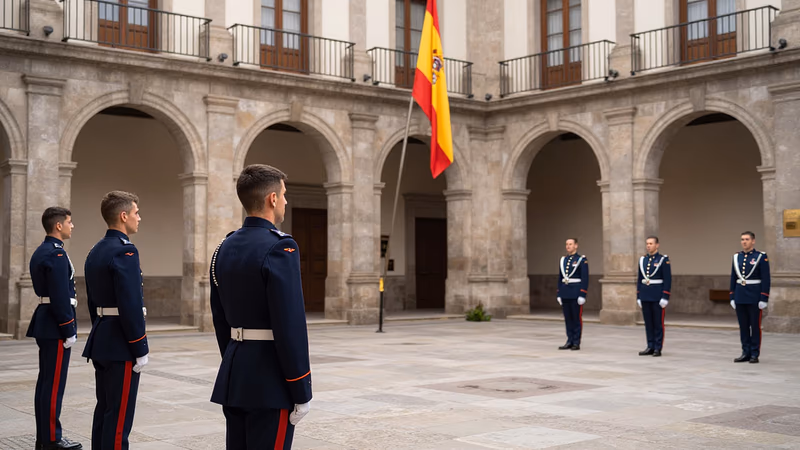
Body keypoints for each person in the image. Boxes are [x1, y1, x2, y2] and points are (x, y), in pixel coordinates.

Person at [210, 164, 312, 450]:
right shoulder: (281, 247)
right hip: (270, 381)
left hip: (235, 373)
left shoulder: (223, 247)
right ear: (272, 198)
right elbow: (290, 324)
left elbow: (220, 318)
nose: (286, 201)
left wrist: (234, 360)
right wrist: (300, 387)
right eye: (284, 194)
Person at [83, 191, 148, 449]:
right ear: (123, 216)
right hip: (121, 344)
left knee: (104, 410)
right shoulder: (125, 251)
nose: (139, 218)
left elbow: (92, 301)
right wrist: (140, 346)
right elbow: (130, 303)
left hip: (102, 338)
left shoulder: (96, 250)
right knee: (119, 419)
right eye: (136, 213)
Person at [27, 207, 82, 450]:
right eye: (69, 222)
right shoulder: (56, 254)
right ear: (58, 225)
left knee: (46, 383)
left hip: (47, 321)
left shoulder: (43, 250)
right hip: (55, 324)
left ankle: (45, 437)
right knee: (53, 385)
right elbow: (60, 296)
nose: (72, 226)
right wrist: (68, 328)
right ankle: (51, 439)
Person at [730, 231, 770, 364]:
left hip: (754, 296)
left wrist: (764, 297)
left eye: (747, 239)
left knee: (755, 326)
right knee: (743, 326)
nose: (744, 242)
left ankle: (754, 353)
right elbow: (733, 277)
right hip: (740, 296)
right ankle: (745, 352)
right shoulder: (736, 257)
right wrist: (732, 296)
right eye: (742, 239)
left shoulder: (761, 257)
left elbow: (766, 278)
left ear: (753, 241)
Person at [636, 236, 671, 357]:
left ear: (657, 245)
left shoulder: (663, 260)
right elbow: (640, 279)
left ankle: (657, 347)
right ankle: (650, 346)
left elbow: (667, 279)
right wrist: (639, 296)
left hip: (657, 296)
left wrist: (665, 296)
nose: (648, 246)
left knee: (658, 323)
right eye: (647, 243)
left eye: (651, 243)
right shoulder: (643, 260)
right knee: (648, 323)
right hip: (645, 295)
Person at [556, 238, 589, 351]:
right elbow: (560, 278)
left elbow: (585, 278)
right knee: (568, 318)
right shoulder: (563, 260)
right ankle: (569, 340)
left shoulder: (581, 260)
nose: (568, 246)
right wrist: (559, 293)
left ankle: (576, 341)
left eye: (570, 244)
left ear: (576, 246)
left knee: (576, 318)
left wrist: (582, 294)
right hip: (565, 292)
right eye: (567, 244)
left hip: (575, 293)